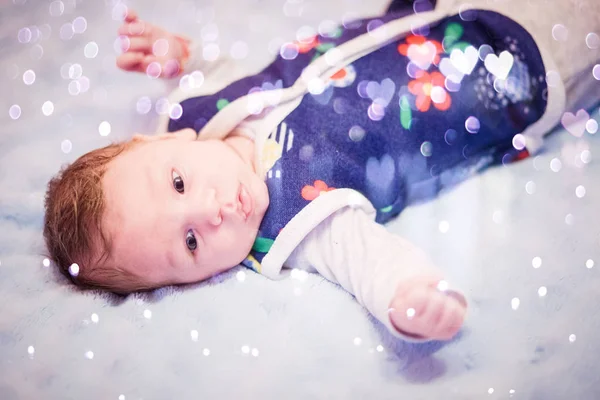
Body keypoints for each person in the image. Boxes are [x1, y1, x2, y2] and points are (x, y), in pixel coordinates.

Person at [43, 0, 599, 343]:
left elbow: (227, 71)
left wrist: (183, 57)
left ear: (160, 140)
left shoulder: (206, 111)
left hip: (429, 15)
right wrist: (404, 296)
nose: (211, 211)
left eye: (178, 183)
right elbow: (362, 257)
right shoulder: (297, 218)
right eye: (189, 242)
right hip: (513, 73)